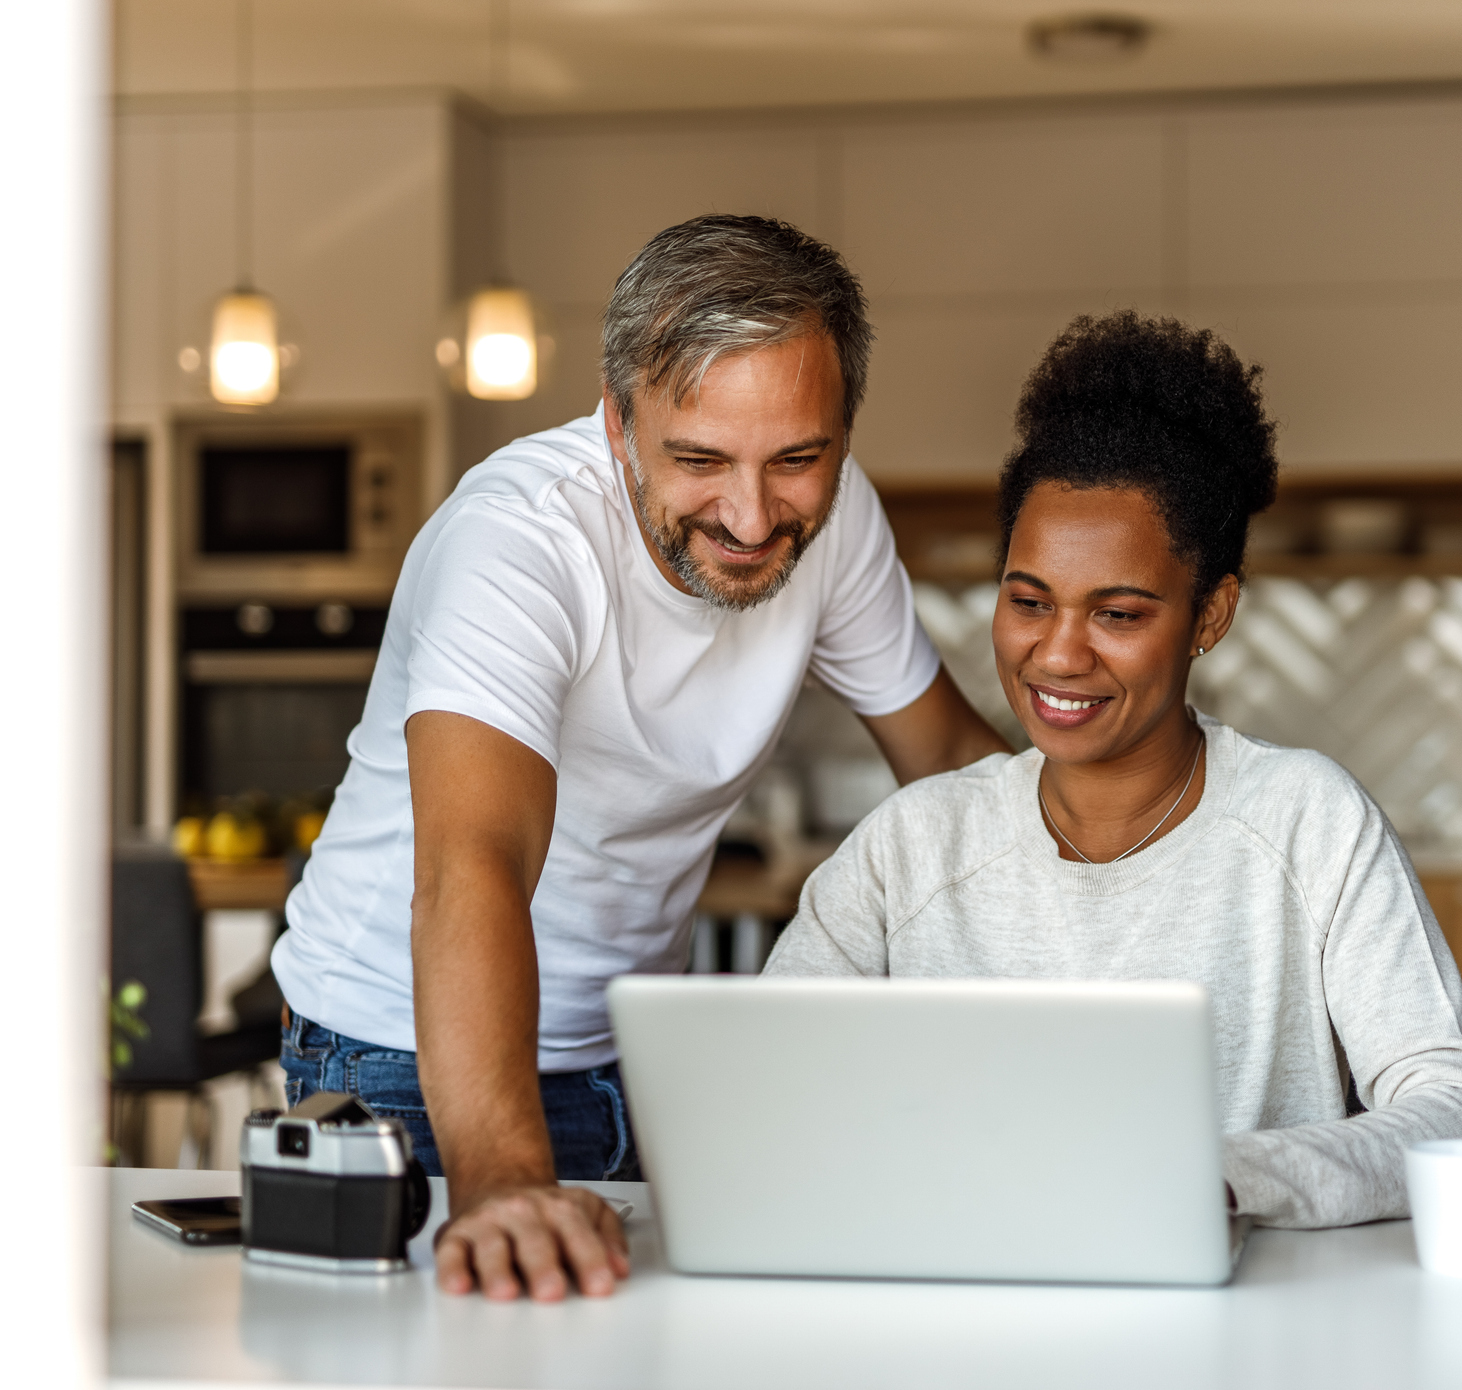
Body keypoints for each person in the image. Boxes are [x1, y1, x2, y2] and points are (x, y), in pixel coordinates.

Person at [271, 215, 1008, 1301]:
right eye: (700, 460)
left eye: (798, 459)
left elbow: (947, 759)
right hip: (409, 1058)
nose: (754, 516)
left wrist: (1124, 909)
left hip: (647, 1052)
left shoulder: (836, 522)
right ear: (618, 423)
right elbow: (475, 863)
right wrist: (507, 1178)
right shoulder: (519, 545)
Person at [764, 311, 1462, 1227]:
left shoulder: (1305, 822)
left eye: (1118, 614)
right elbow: (766, 1090)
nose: (1057, 654)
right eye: (1028, 601)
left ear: (1210, 615)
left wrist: (1221, 1179)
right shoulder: (913, 845)